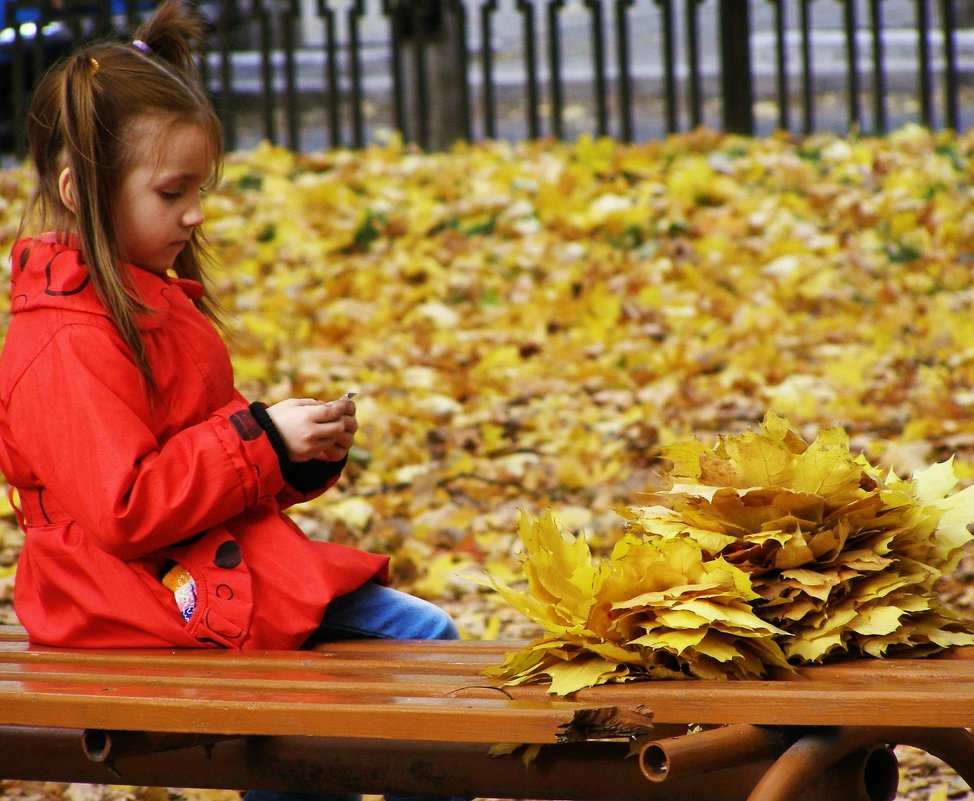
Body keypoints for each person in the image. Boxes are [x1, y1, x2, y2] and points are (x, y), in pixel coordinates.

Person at [0, 2, 462, 799]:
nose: (196, 212)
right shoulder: (65, 342)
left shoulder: (146, 301)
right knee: (424, 649)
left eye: (200, 189)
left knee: (358, 685)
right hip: (125, 599)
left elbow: (211, 455)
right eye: (172, 191)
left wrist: (293, 448)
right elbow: (128, 505)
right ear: (81, 191)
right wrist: (261, 441)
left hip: (184, 571)